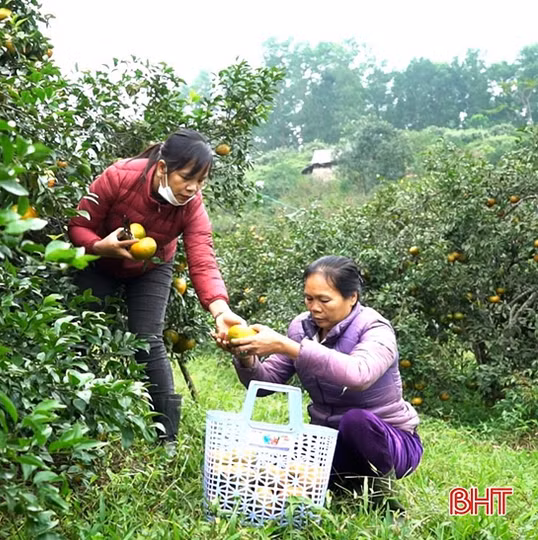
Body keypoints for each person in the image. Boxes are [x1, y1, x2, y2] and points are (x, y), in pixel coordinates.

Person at [68, 128, 246, 444]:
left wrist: (220, 309)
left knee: (147, 339)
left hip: (152, 266)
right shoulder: (120, 177)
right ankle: (69, 419)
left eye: (201, 181)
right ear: (163, 168)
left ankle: (167, 439)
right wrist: (99, 247)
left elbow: (202, 257)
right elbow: (79, 226)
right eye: (186, 178)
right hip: (100, 259)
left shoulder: (191, 205)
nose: (192, 188)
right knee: (80, 332)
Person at [216, 255, 422, 513]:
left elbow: (359, 374)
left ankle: (386, 502)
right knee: (276, 468)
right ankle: (348, 486)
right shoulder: (301, 328)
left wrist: (287, 346)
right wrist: (246, 354)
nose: (315, 307)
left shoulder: (375, 329)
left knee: (356, 421)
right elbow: (265, 383)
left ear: (352, 298)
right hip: (326, 442)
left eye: (324, 300)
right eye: (309, 299)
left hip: (389, 441)